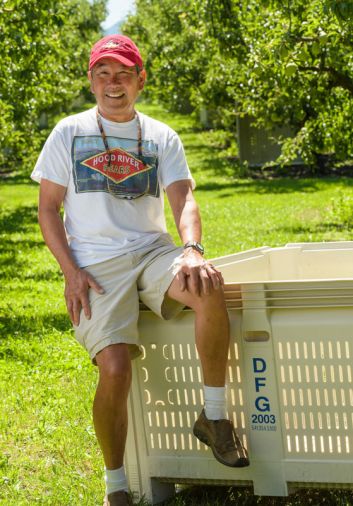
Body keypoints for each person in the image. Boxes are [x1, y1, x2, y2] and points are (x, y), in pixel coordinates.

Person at [31, 34, 249, 506]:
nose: (114, 84)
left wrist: (191, 248)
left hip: (152, 252)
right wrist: (70, 271)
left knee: (207, 284)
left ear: (140, 80)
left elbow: (183, 197)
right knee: (114, 366)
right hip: (95, 263)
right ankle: (116, 486)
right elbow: (48, 209)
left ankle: (213, 418)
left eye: (123, 74)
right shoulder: (68, 133)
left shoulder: (160, 136)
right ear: (91, 80)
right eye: (104, 74)